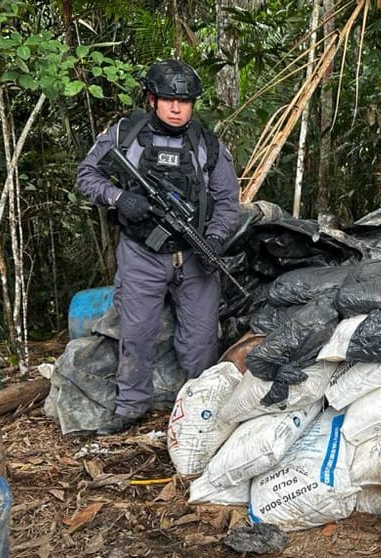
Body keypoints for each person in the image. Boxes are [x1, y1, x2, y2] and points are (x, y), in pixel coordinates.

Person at [77, 59, 240, 435]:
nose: (177, 108)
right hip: (141, 254)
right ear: (152, 99)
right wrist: (119, 197)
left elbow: (227, 201)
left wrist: (215, 238)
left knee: (200, 342)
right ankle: (131, 406)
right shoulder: (125, 135)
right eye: (169, 100)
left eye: (185, 102)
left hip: (194, 256)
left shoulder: (207, 144)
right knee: (136, 334)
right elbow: (87, 175)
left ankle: (198, 411)